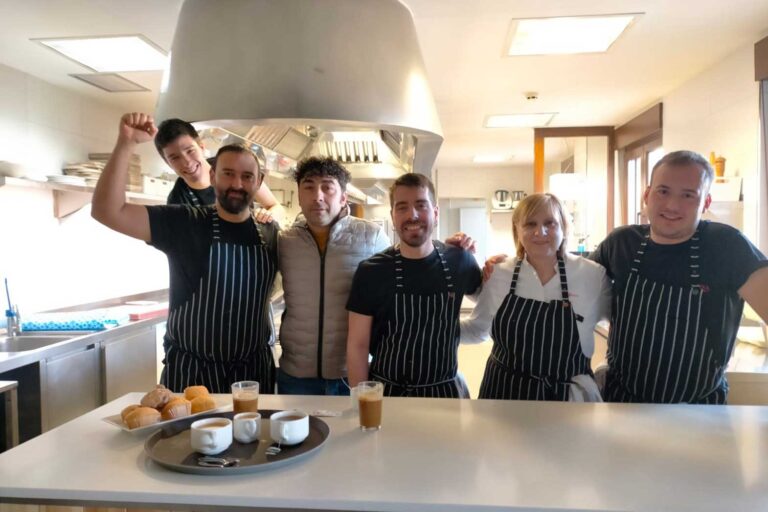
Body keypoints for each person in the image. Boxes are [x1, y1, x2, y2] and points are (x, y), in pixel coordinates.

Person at [92, 113, 279, 393]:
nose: (237, 185)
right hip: (193, 375)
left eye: (246, 177)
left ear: (258, 182)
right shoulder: (183, 221)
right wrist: (126, 143)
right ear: (213, 176)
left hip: (253, 376)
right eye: (228, 174)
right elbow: (108, 211)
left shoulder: (270, 233)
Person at [591, 150, 768, 404]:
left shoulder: (728, 246)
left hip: (700, 413)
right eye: (663, 191)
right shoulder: (621, 244)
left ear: (705, 203)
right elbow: (574, 291)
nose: (672, 205)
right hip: (622, 406)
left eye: (688, 195)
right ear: (647, 195)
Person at [460, 193, 611, 401]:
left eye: (550, 223)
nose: (540, 232)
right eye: (530, 224)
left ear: (564, 227)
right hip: (504, 393)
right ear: (517, 230)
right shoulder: (499, 274)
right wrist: (434, 329)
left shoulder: (593, 275)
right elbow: (478, 329)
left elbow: (621, 327)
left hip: (566, 400)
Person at [346, 173, 482, 397]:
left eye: (421, 205)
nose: (412, 215)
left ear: (435, 212)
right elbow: (357, 346)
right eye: (402, 207)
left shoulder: (460, 260)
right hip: (387, 393)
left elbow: (491, 299)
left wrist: (496, 264)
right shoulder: (370, 271)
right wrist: (362, 402)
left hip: (444, 393)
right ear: (392, 215)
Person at [277, 157, 390, 395]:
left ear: (343, 197)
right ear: (299, 195)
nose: (317, 196)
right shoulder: (284, 241)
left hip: (351, 374)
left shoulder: (372, 236)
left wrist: (451, 249)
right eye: (308, 187)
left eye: (327, 187)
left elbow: (406, 265)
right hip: (296, 376)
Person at [153, 118, 283, 223]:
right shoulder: (177, 201)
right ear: (167, 163)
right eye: (175, 158)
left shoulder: (232, 165)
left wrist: (268, 216)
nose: (186, 162)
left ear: (201, 147)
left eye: (190, 151)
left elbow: (277, 208)